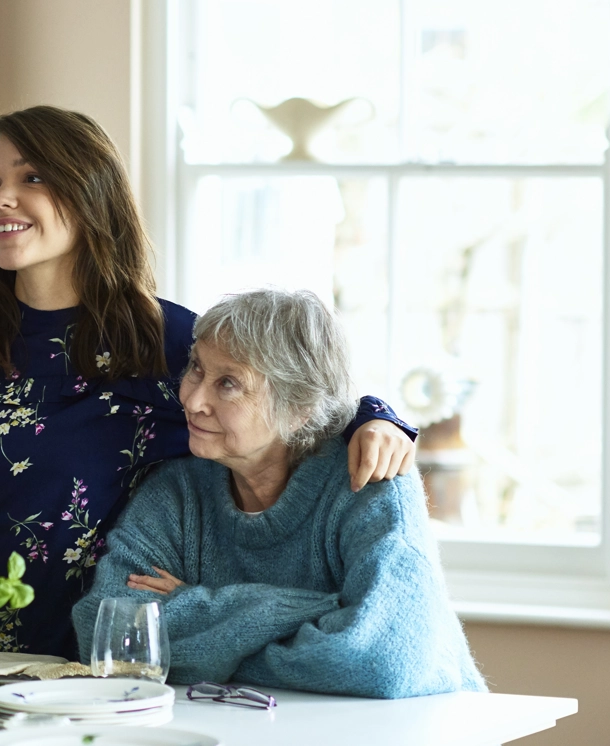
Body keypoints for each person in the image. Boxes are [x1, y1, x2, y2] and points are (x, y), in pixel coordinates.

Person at [0, 106, 418, 659]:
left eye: (31, 177)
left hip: (107, 658)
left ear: (91, 192)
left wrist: (379, 416)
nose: (1, 198)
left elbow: (289, 400)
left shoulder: (167, 339)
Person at [72, 289, 484, 698]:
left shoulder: (371, 481)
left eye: (228, 384)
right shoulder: (178, 490)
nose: (193, 400)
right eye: (196, 368)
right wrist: (321, 608)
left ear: (299, 407)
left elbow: (382, 659)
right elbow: (105, 633)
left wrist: (197, 615)